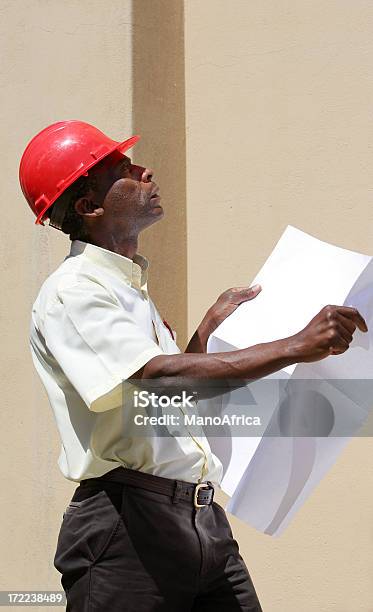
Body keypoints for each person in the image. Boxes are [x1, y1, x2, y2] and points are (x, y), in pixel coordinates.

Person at [20, 120, 368, 612]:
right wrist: (296, 345)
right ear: (88, 206)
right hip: (127, 529)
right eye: (124, 169)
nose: (145, 172)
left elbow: (164, 396)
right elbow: (156, 378)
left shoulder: (126, 287)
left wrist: (204, 330)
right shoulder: (73, 290)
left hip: (199, 521)